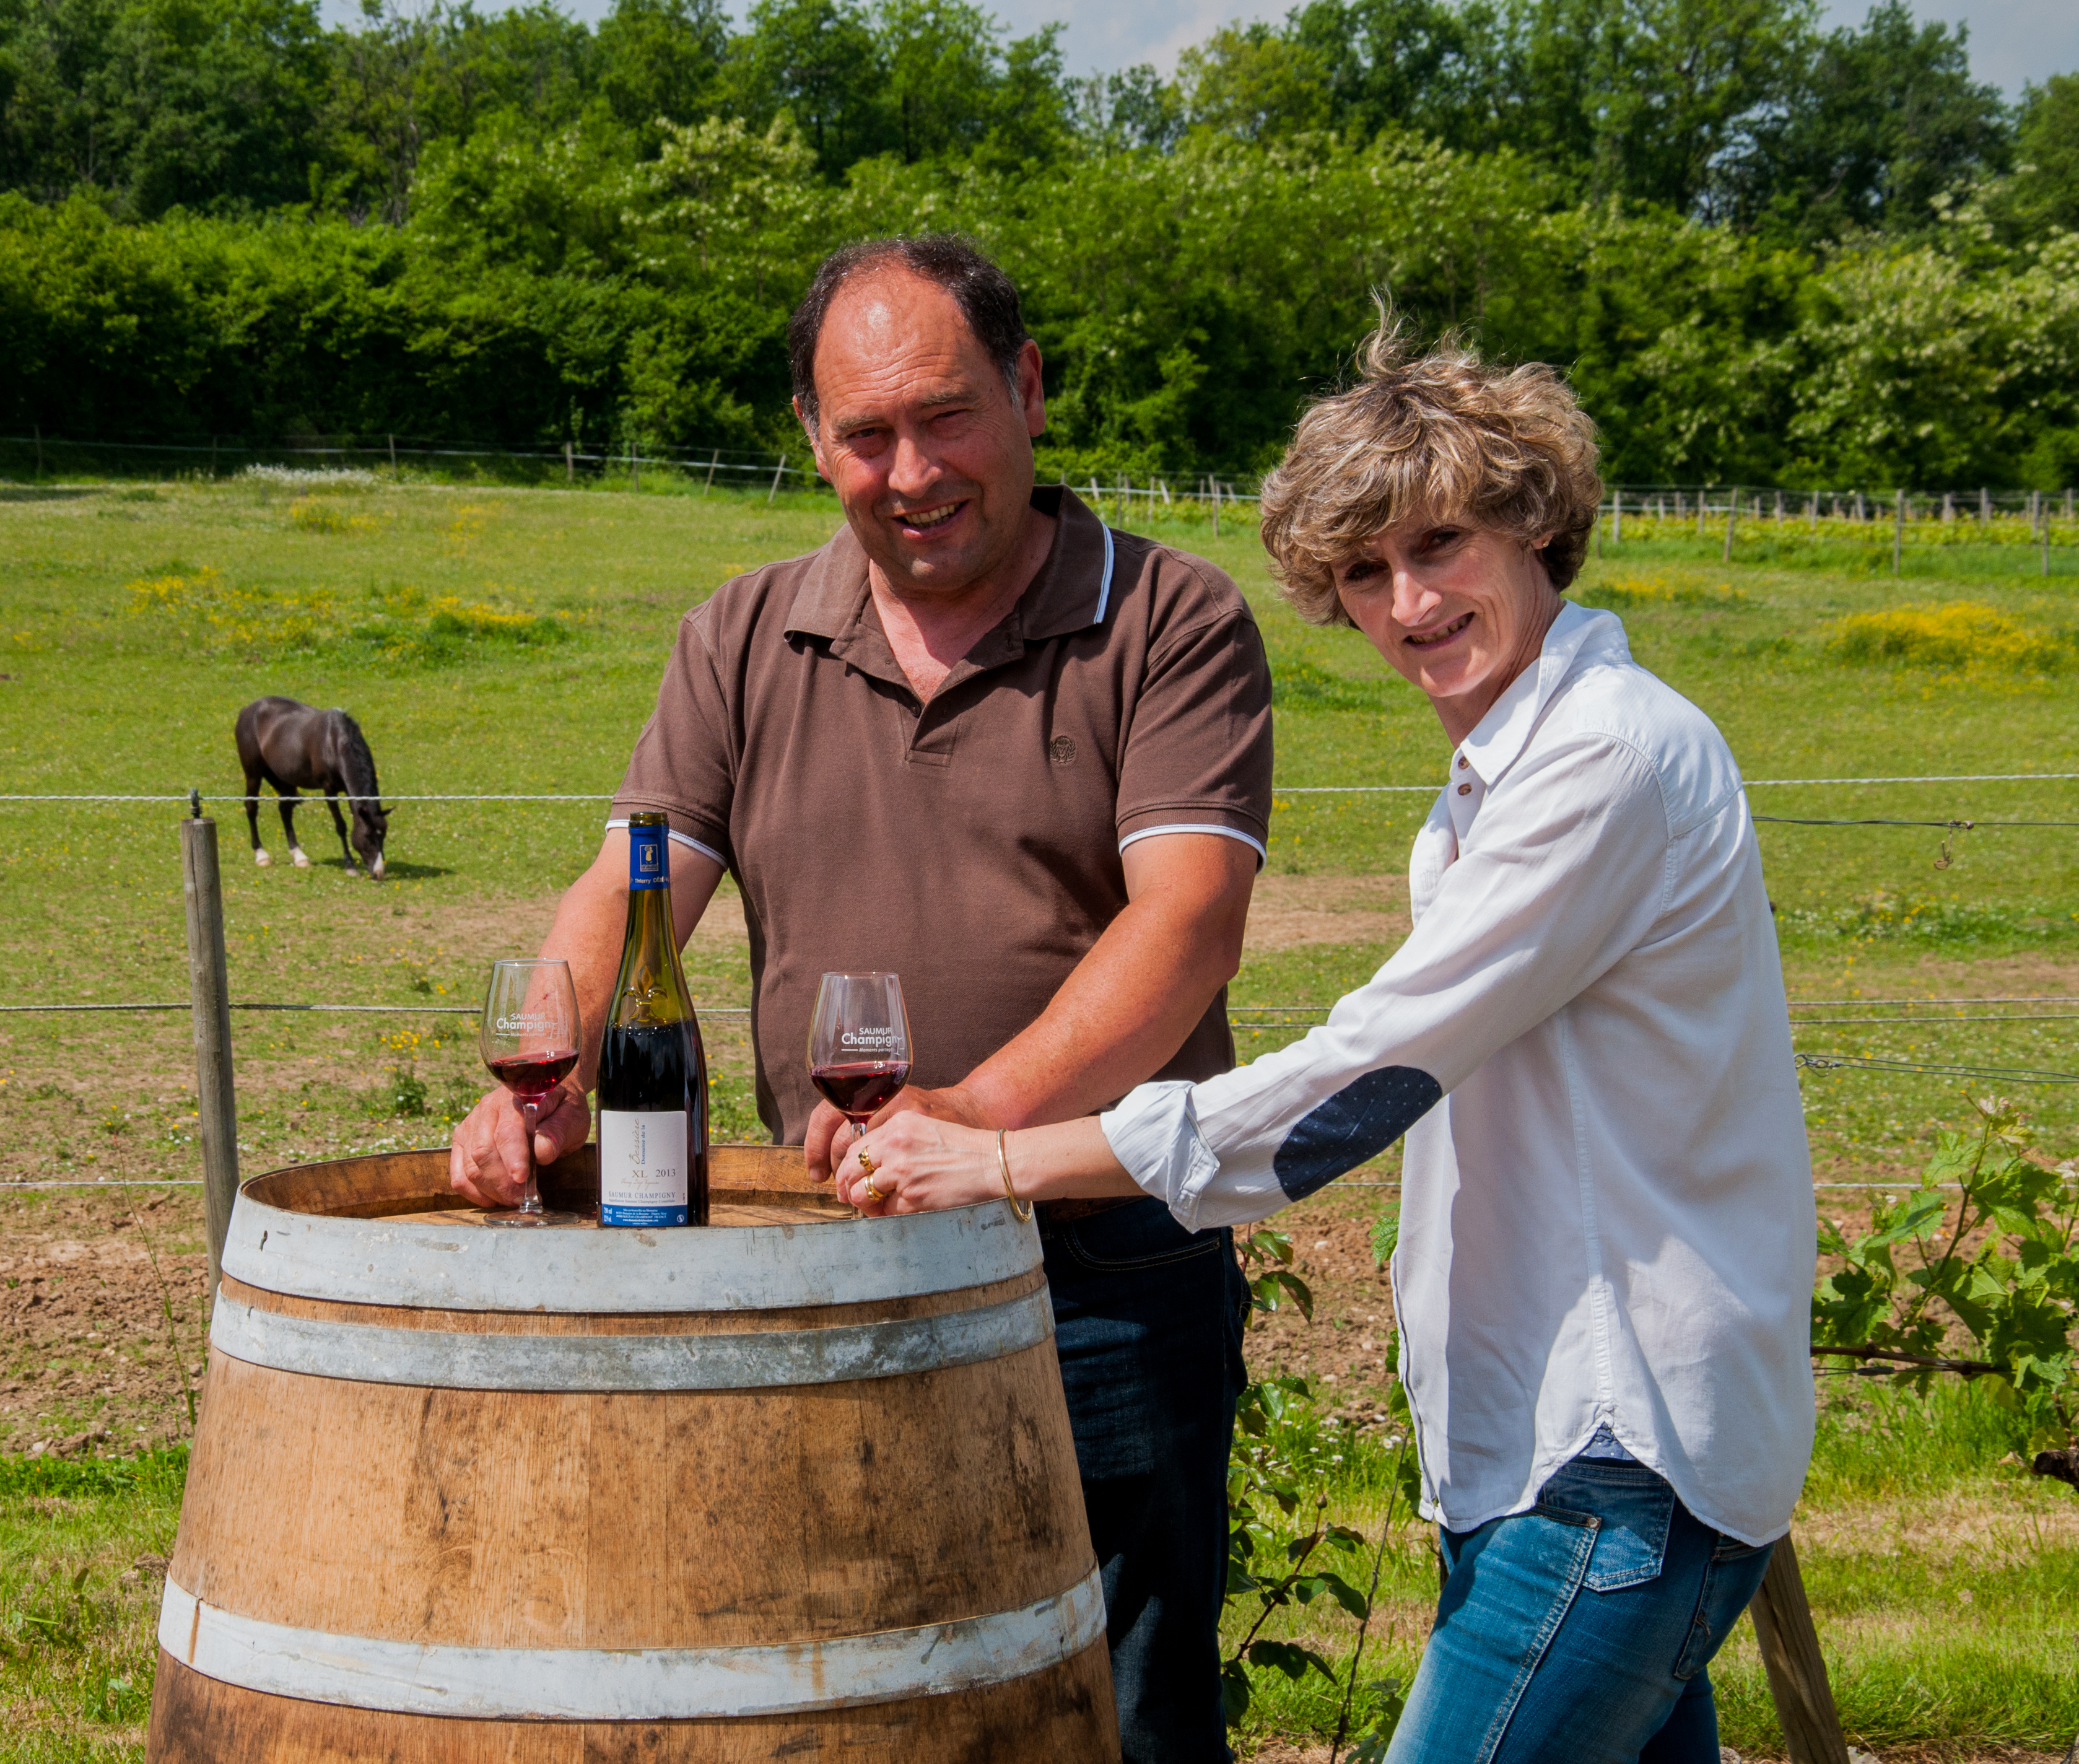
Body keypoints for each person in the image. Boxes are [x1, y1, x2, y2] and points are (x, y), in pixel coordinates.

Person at [843, 327, 1818, 1763]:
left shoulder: (1605, 756)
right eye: (1365, 572)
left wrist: (1005, 1157)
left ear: (1538, 524)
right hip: (1573, 1440)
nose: (1409, 601)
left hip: (1613, 1453)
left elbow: (1366, 1075)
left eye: (1441, 542)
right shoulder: (1516, 762)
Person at [448, 235, 1276, 1763]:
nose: (913, 470)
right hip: (829, 1265)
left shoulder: (1169, 619)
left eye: (946, 414)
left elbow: (1190, 925)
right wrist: (546, 1063)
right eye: (865, 434)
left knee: (1125, 1712)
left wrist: (977, 1112)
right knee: (853, 1705)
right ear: (809, 439)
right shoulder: (748, 632)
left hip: (1100, 1268)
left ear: (1026, 391)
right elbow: (634, 883)